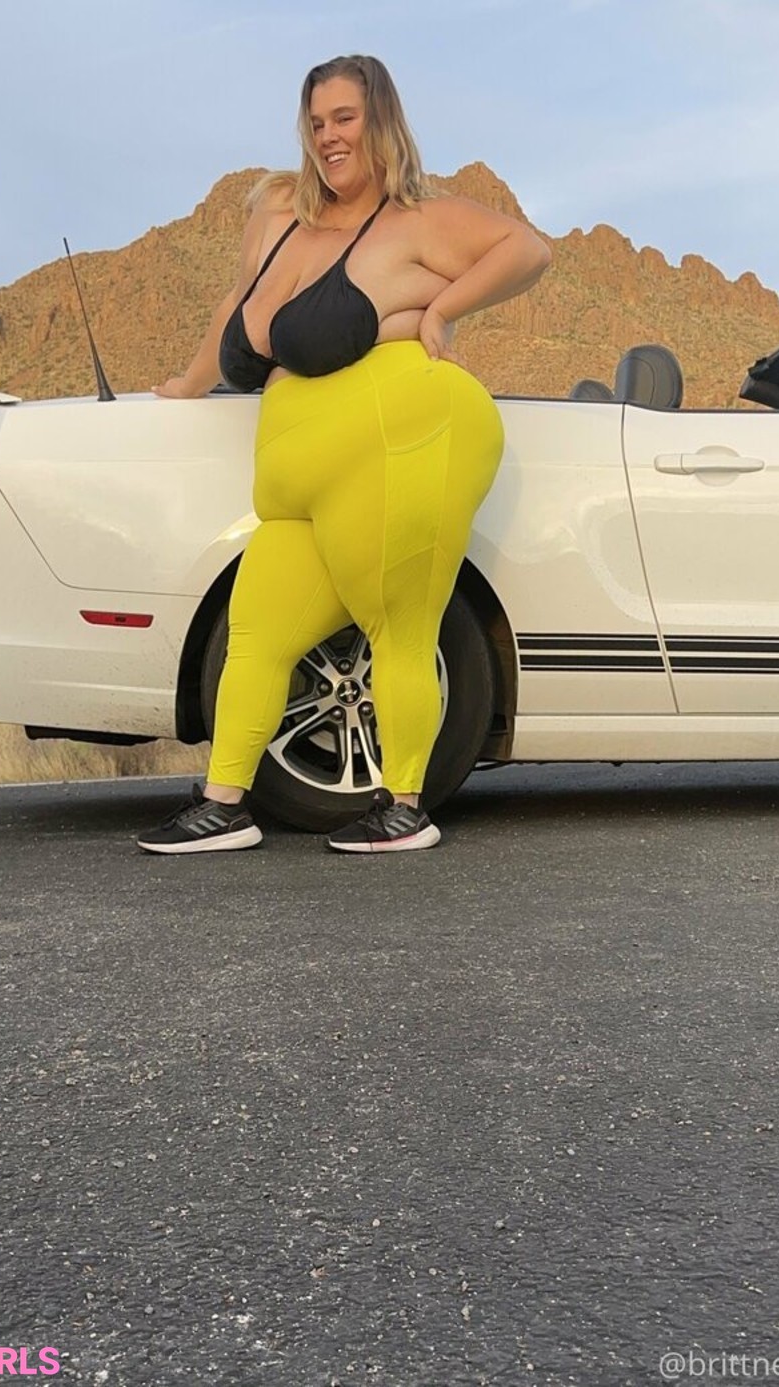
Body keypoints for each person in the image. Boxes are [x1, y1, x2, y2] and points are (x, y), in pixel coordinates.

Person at [138, 54, 551, 856]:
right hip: (297, 478)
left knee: (400, 626)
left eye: (345, 118)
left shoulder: (413, 222)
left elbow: (527, 250)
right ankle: (225, 805)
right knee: (258, 630)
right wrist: (187, 383)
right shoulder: (279, 213)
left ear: (380, 120)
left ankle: (405, 807)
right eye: (317, 121)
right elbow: (236, 307)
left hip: (386, 445)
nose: (329, 136)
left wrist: (440, 310)